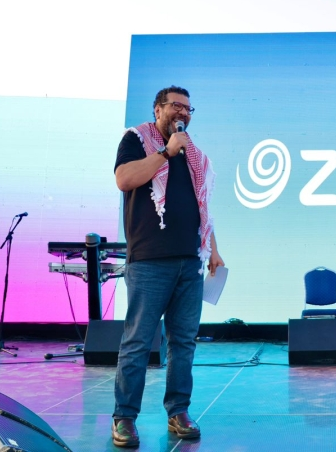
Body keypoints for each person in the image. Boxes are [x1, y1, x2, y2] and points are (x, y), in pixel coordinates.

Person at [111, 86, 225, 448]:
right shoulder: (137, 140)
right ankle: (124, 417)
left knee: (184, 343)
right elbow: (124, 179)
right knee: (138, 342)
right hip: (149, 261)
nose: (183, 112)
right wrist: (165, 153)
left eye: (188, 108)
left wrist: (214, 249)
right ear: (158, 109)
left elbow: (200, 206)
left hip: (190, 261)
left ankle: (178, 411)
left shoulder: (192, 155)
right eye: (176, 106)